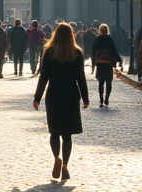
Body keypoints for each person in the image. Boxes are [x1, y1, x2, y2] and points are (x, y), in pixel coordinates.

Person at [33, 22, 89, 181]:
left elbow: (44, 77)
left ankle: (56, 157)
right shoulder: (77, 53)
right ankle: (65, 166)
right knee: (67, 134)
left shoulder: (49, 52)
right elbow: (81, 78)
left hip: (54, 94)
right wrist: (85, 97)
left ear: (55, 34)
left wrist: (37, 97)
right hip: (71, 94)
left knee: (54, 131)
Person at [90, 22, 122, 107]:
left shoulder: (98, 39)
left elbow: (93, 50)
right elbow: (114, 49)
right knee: (108, 82)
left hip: (100, 63)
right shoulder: (109, 38)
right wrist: (118, 59)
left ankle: (101, 99)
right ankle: (107, 98)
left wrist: (93, 60)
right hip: (108, 63)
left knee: (100, 82)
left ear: (100, 30)